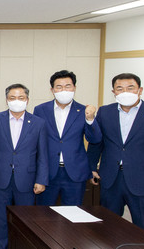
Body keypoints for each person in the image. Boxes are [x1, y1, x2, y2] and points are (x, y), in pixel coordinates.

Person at [87, 73, 144, 234]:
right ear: (113, 92)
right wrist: (92, 167)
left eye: (130, 88)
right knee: (107, 226)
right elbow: (97, 142)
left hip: (143, 180)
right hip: (111, 178)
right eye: (119, 89)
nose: (125, 92)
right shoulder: (105, 112)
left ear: (140, 90)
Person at [0, 83, 48, 249]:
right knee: (1, 218)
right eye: (12, 98)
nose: (16, 101)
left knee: (25, 219)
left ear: (27, 100)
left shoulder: (38, 123)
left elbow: (43, 154)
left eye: (21, 98)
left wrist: (41, 180)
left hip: (27, 179)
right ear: (6, 100)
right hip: (2, 177)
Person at [33, 70, 101, 206]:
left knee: (72, 213)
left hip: (75, 173)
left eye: (67, 86)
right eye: (59, 87)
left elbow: (95, 139)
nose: (63, 90)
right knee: (43, 213)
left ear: (74, 88)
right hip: (48, 172)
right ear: (52, 90)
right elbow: (36, 140)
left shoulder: (84, 110)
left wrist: (90, 119)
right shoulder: (40, 110)